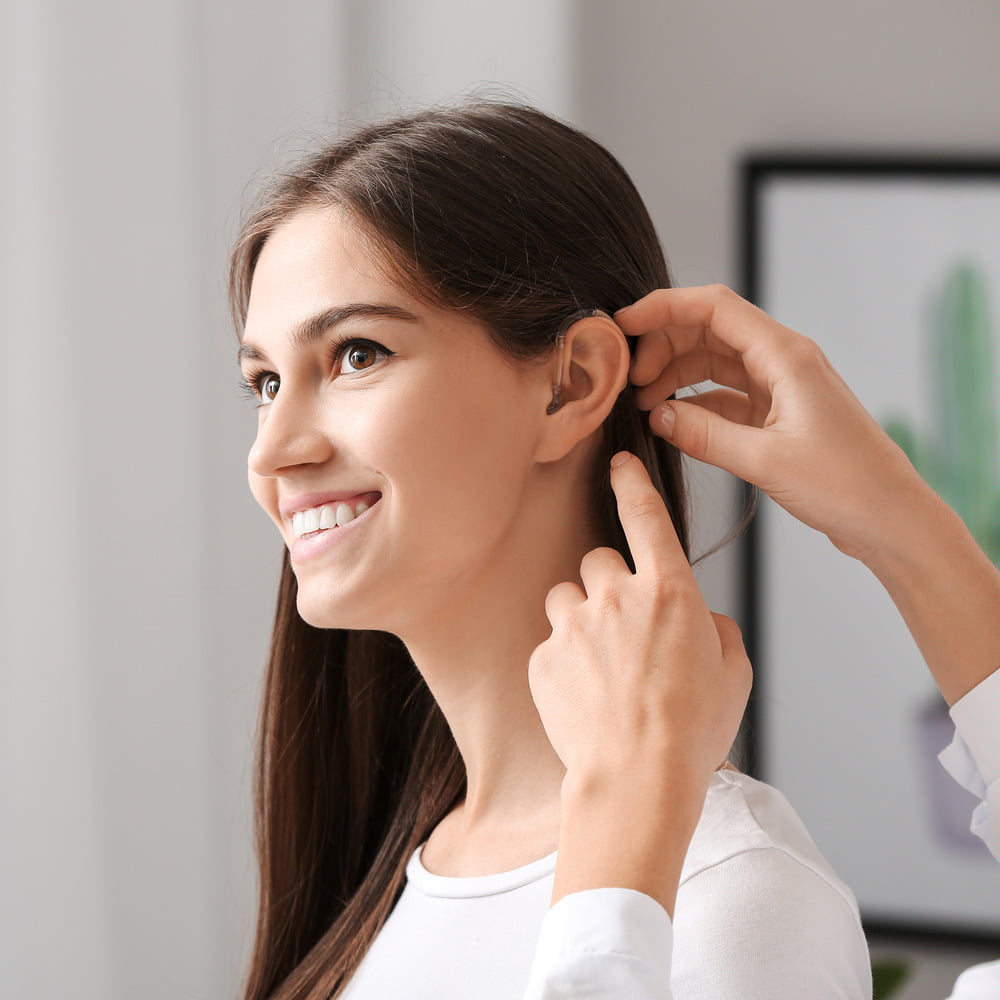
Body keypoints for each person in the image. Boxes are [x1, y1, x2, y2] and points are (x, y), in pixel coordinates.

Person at [229, 102, 873, 1000]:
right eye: (264, 382)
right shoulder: (405, 869)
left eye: (357, 354)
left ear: (572, 385)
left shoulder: (733, 897)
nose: (271, 451)